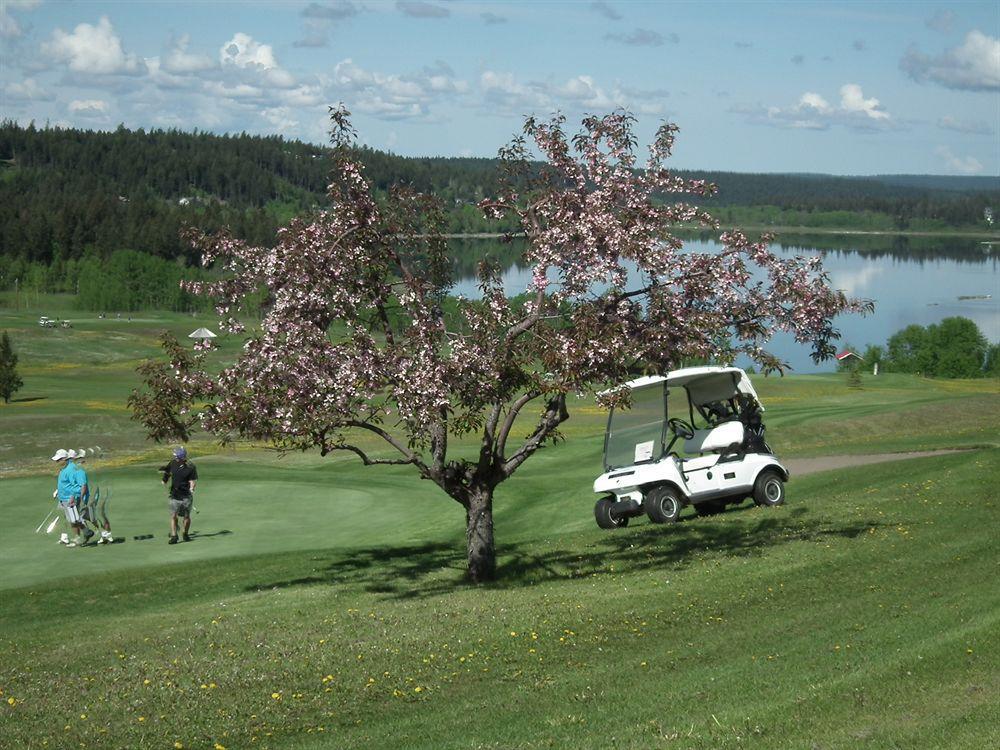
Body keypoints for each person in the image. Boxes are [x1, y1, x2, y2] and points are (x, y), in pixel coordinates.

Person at [159, 446, 198, 544]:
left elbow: (192, 480)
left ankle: (185, 533)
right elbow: (167, 472)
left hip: (186, 495)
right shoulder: (173, 463)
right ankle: (174, 536)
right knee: (173, 516)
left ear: (181, 457)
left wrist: (192, 487)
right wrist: (164, 480)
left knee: (186, 516)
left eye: (176, 456)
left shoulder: (191, 467)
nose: (175, 458)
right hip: (174, 495)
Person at [75, 449, 113, 544]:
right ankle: (103, 534)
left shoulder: (85, 470)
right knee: (89, 517)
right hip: (88, 496)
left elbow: (89, 485)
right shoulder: (79, 469)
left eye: (81, 458)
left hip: (93, 495)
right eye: (78, 458)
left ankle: (106, 534)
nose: (79, 460)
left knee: (97, 515)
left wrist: (89, 498)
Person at [52, 449, 86, 547]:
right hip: (63, 498)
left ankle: (81, 536)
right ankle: (66, 537)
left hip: (69, 499)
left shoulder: (71, 469)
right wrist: (58, 491)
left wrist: (73, 497)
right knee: (68, 518)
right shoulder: (64, 468)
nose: (57, 462)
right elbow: (64, 483)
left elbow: (76, 486)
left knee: (74, 519)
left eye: (58, 460)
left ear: (65, 459)